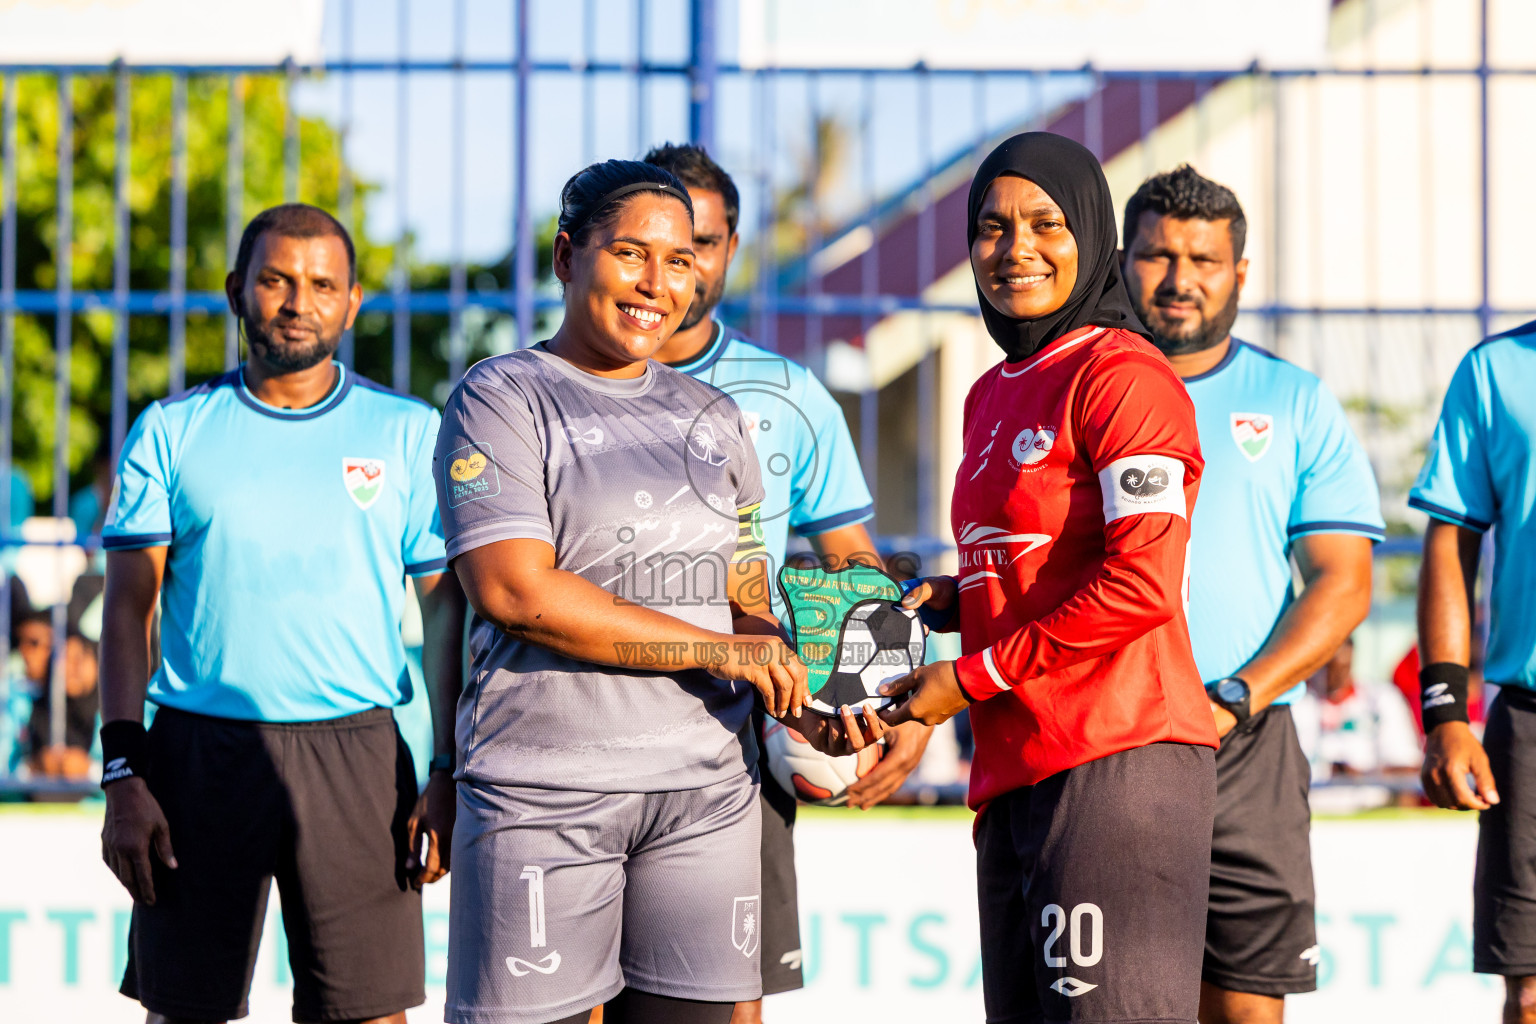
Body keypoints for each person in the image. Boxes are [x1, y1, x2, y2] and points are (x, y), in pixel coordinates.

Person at [424, 159, 865, 1024]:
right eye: (630, 254)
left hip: (705, 801)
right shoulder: (501, 397)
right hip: (541, 800)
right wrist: (717, 651)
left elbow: (749, 605)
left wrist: (801, 695)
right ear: (565, 257)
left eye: (680, 261)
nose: (657, 284)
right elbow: (516, 592)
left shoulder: (716, 417)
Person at [97, 203, 467, 1024]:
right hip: (197, 753)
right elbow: (127, 611)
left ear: (354, 301)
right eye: (275, 279)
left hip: (360, 756)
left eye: (322, 284)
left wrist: (448, 769)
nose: (298, 300)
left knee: (368, 1014)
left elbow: (446, 614)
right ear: (237, 291)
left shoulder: (409, 433)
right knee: (185, 1010)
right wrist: (123, 772)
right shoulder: (171, 430)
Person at [881, 132, 1218, 1023]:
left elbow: (1143, 582)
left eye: (1045, 223)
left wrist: (970, 675)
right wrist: (962, 600)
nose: (1015, 249)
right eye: (991, 228)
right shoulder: (993, 390)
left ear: (1094, 235)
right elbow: (1036, 556)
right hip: (1012, 769)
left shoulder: (1124, 374)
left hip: (1116, 758)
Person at [642, 141, 932, 1020]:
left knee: (736, 998)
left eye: (708, 238)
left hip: (739, 729)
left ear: (731, 249)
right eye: (662, 238)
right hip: (587, 726)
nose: (683, 260)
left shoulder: (786, 393)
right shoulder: (557, 386)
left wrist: (902, 704)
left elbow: (853, 564)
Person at [1118, 165, 1382, 1023]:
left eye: (1204, 259)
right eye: (1158, 255)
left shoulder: (1294, 400)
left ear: (1240, 272)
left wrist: (1236, 697)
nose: (1180, 278)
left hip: (1246, 735)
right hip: (1104, 733)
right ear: (1122, 262)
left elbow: (1342, 584)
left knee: (1245, 1008)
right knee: (1114, 1002)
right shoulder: (1080, 387)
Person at [1411, 316, 1536, 1023]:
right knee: (1530, 994)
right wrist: (1446, 712)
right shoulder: (1495, 370)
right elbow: (1452, 536)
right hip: (1531, 722)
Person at [1291, 638, 1420, 784]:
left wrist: (1359, 776)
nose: (1332, 676)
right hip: (1309, 802)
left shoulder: (1382, 699)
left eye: (1340, 667)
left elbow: (1408, 767)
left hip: (1369, 804)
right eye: (1326, 667)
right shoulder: (1293, 703)